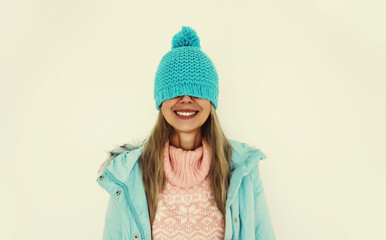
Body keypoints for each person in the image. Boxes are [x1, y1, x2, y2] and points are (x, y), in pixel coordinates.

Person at [96, 26, 275, 240]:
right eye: (176, 90)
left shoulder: (243, 170)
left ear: (211, 100)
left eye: (197, 90)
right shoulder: (129, 174)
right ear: (161, 100)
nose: (186, 100)